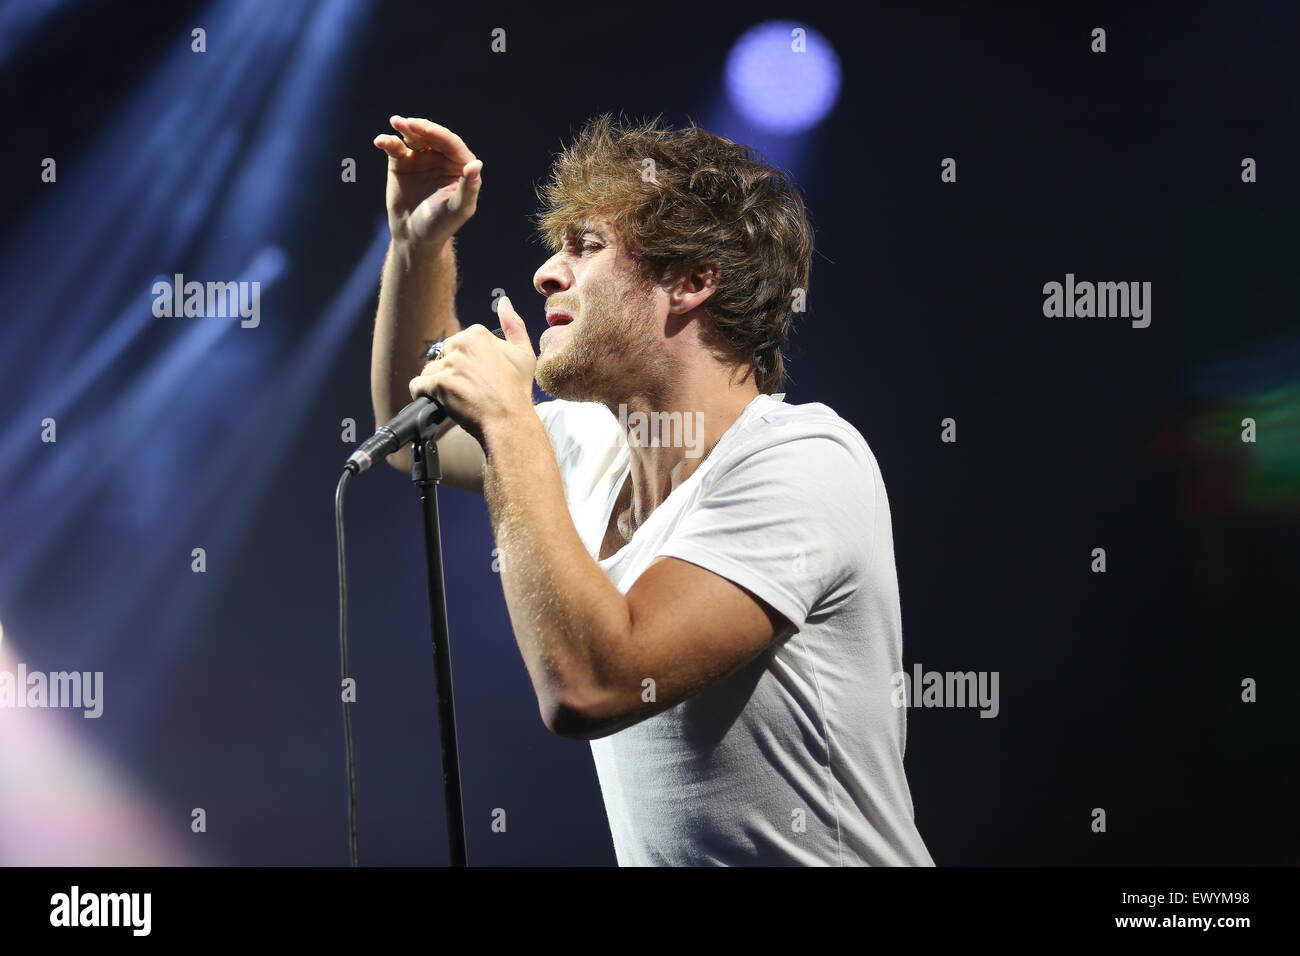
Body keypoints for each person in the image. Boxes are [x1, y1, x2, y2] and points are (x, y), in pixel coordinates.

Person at [368, 114, 933, 866]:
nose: (545, 274)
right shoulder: (589, 444)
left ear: (694, 280)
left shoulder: (806, 459)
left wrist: (510, 425)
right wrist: (418, 245)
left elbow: (595, 687)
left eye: (585, 246)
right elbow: (418, 443)